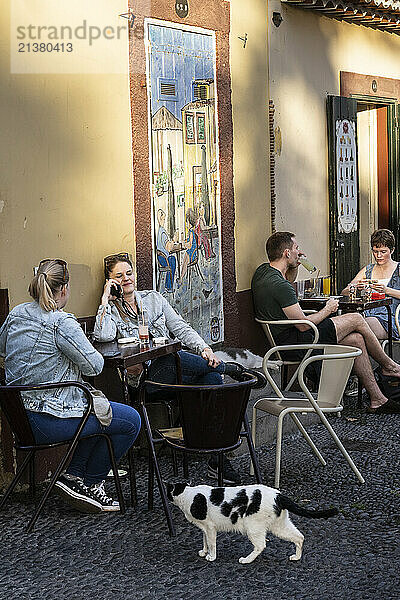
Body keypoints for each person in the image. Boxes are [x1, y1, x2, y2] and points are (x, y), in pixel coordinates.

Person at [93, 252, 266, 484]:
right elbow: (102, 335)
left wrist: (204, 348)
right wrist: (105, 299)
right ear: (110, 281)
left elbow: (181, 328)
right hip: (148, 381)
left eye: (129, 273)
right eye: (118, 276)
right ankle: (230, 368)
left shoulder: (153, 299)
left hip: (178, 374)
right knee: (169, 358)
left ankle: (218, 462)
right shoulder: (112, 312)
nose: (126, 279)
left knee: (212, 381)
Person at [0, 259, 141, 513]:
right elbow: (95, 366)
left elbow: (2, 348)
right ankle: (92, 483)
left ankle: (73, 478)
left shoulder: (16, 314)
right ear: (64, 289)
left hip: (21, 419)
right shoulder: (61, 322)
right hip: (49, 421)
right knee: (130, 420)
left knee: (95, 409)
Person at [251, 231, 400, 414]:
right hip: (297, 341)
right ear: (286, 253)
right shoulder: (280, 286)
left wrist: (296, 266)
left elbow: (286, 281)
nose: (300, 252)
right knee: (356, 319)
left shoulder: (263, 272)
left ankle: (377, 399)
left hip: (288, 336)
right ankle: (390, 366)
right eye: (296, 248)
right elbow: (304, 324)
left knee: (356, 340)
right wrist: (328, 310)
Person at [342, 229, 400, 341]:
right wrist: (356, 288)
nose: (378, 255)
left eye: (383, 252)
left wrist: (386, 290)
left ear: (392, 250)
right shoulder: (368, 270)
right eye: (375, 251)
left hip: (390, 319)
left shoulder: (398, 269)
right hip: (366, 317)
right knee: (355, 338)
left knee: (355, 324)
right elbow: (344, 292)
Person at [156, 208, 178, 293]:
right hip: (163, 258)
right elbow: (169, 248)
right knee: (172, 259)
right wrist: (173, 240)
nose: (164, 221)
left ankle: (168, 285)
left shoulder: (160, 231)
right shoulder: (162, 232)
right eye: (163, 219)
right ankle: (169, 286)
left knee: (172, 258)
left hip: (161, 257)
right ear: (160, 219)